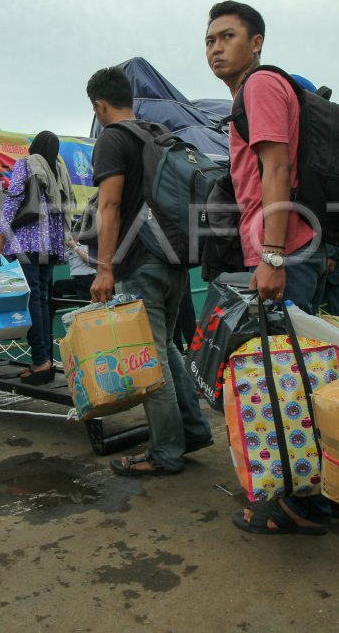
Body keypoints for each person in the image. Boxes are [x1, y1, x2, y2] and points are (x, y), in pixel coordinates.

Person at [205, 0, 338, 534]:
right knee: (298, 375)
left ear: (256, 41)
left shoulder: (259, 86)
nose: (216, 48)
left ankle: (303, 503)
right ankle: (318, 493)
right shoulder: (259, 90)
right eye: (210, 40)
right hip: (291, 246)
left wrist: (273, 257)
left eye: (228, 36)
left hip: (283, 248)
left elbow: (276, 167)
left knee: (291, 381)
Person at [86, 66, 213, 476]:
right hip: (173, 258)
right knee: (167, 347)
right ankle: (192, 431)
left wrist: (104, 268)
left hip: (139, 260)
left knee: (149, 358)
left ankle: (166, 453)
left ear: (99, 105)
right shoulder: (156, 133)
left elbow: (108, 206)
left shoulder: (112, 139)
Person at [0, 131, 75, 385]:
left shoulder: (27, 164)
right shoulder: (59, 170)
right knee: (41, 299)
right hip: (51, 246)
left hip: (27, 242)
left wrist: (0, 235)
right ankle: (44, 360)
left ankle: (40, 362)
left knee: (32, 299)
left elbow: (13, 201)